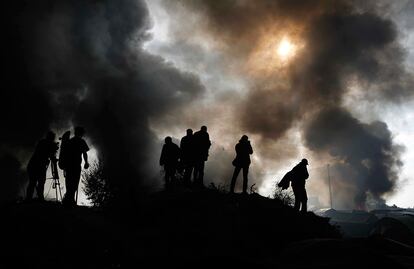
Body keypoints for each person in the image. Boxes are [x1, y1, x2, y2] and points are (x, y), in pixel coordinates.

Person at [26, 131, 59, 201]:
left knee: (34, 182)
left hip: (34, 165)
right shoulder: (48, 144)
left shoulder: (42, 142)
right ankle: (39, 197)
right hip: (38, 165)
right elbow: (51, 156)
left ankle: (30, 198)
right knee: (39, 182)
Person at [62, 127, 89, 207]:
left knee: (69, 183)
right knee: (74, 183)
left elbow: (65, 154)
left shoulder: (70, 141)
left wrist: (65, 166)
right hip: (76, 165)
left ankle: (68, 200)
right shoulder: (81, 141)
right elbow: (84, 153)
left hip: (69, 166)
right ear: (81, 133)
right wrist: (86, 162)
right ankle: (70, 200)